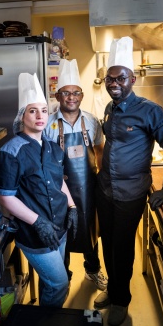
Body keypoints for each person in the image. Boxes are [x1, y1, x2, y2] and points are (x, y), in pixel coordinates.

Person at [94, 36, 163, 326]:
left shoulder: (150, 110)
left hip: (131, 192)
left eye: (120, 78)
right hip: (105, 188)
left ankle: (122, 299)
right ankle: (114, 288)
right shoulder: (110, 108)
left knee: (122, 247)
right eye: (109, 78)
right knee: (107, 242)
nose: (114, 83)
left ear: (132, 79)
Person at [0, 72, 78, 308]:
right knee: (59, 283)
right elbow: (6, 198)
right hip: (35, 233)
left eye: (43, 110)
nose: (40, 116)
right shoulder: (11, 152)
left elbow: (59, 181)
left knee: (50, 281)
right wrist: (38, 222)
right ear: (23, 116)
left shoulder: (52, 147)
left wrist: (71, 206)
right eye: (33, 110)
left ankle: (44, 322)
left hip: (58, 228)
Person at [45, 59, 107, 291]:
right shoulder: (48, 124)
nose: (71, 97)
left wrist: (100, 180)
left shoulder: (91, 121)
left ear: (81, 96)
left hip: (88, 187)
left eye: (76, 93)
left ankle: (93, 271)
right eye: (66, 93)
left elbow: (99, 151)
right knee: (63, 233)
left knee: (90, 230)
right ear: (58, 96)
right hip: (59, 190)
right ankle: (65, 277)